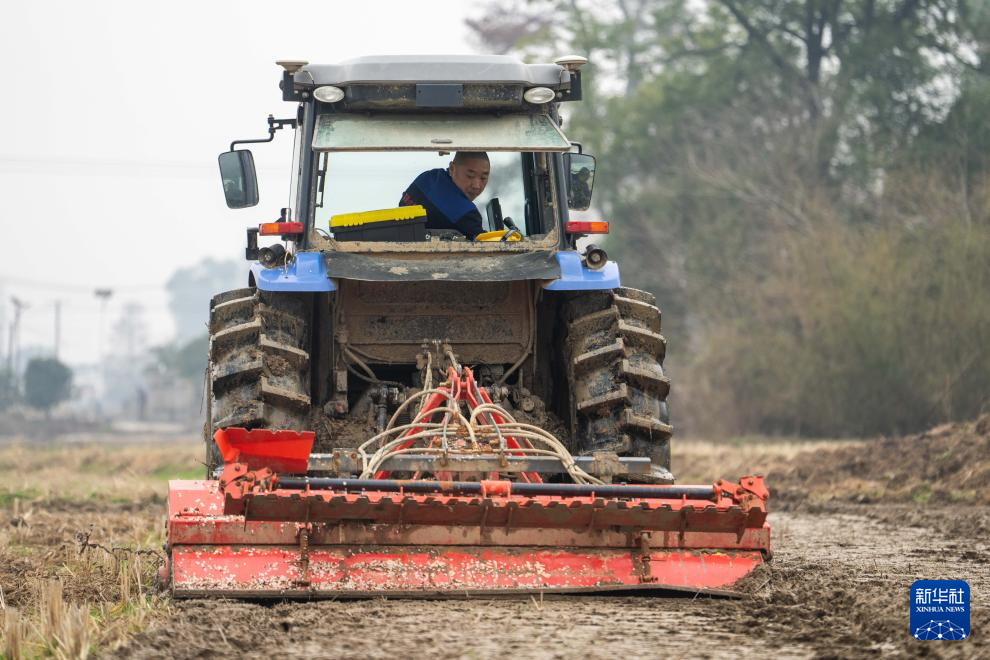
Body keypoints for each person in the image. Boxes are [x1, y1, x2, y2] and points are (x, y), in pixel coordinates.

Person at [399, 151, 489, 239]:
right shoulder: (466, 214)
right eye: (470, 176)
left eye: (483, 178)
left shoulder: (426, 177)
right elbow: (484, 246)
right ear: (452, 169)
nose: (476, 185)